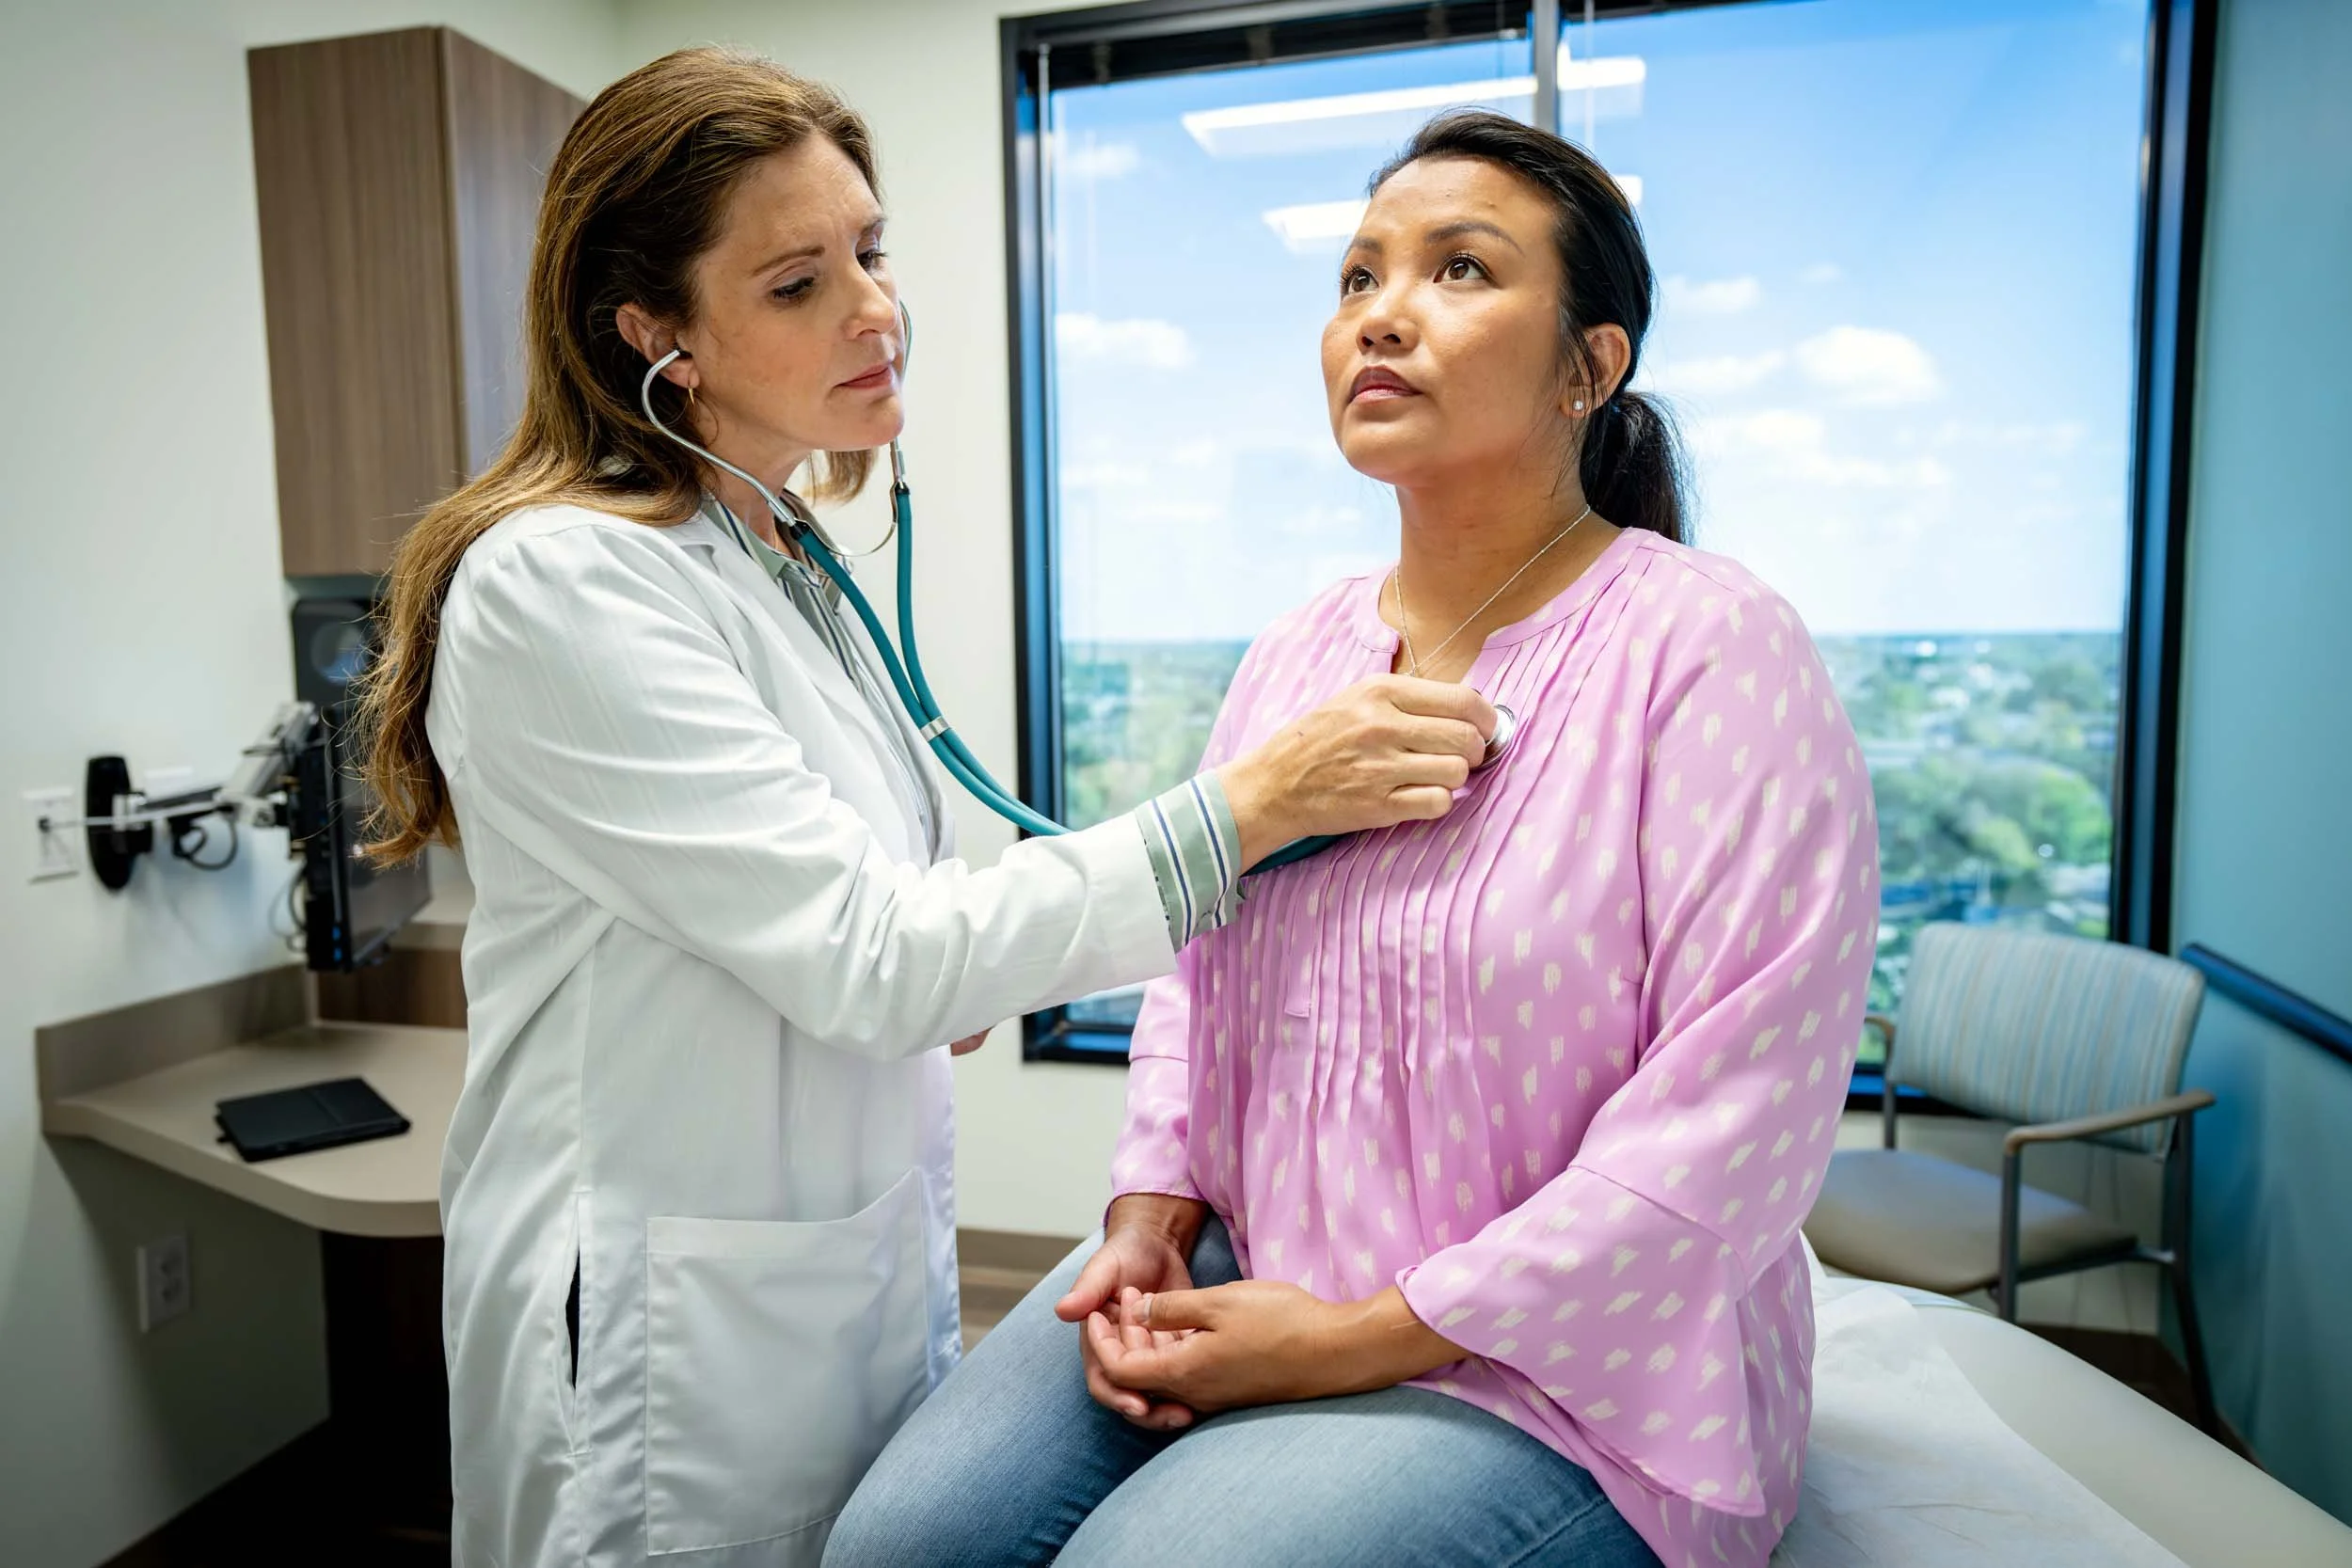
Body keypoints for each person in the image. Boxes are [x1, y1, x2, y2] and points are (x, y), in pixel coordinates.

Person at [354, 50, 1496, 1568]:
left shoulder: (780, 556)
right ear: (656, 334)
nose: (876, 310)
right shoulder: (564, 580)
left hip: (829, 1255)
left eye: (871, 252)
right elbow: (869, 950)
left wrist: (934, 961)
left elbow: (860, 920)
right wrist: (1255, 806)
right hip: (659, 1312)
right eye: (794, 283)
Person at [826, 110, 1883, 1568]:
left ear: (1592, 364)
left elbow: (1732, 1126)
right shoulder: (1300, 650)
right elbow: (1199, 978)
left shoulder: (1712, 648)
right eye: (1356, 276)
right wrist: (1150, 1210)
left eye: (1460, 271)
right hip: (1258, 1255)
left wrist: (1342, 1341)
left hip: (1572, 1367)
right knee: (899, 1547)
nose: (1383, 314)